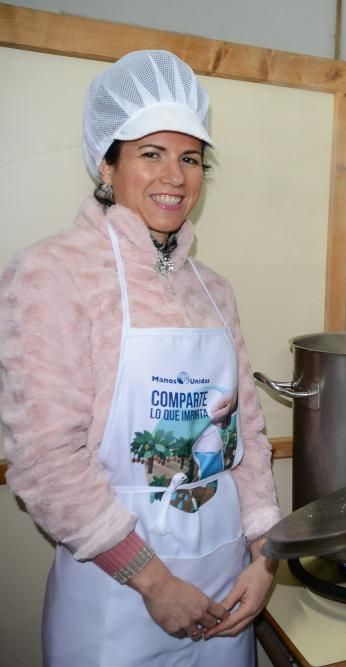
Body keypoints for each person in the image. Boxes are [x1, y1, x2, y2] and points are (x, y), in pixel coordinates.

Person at [0, 50, 282, 666]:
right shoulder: (53, 274)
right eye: (151, 154)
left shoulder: (213, 289)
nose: (175, 178)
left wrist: (265, 557)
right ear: (106, 162)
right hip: (119, 602)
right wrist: (154, 582)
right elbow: (46, 462)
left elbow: (246, 436)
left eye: (190, 158)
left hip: (229, 589)